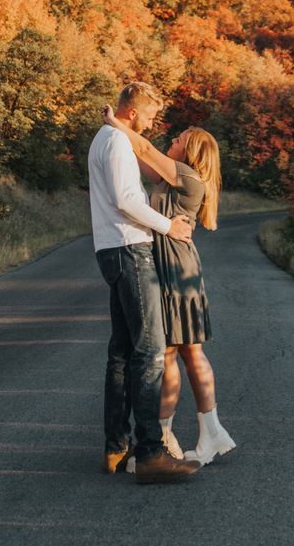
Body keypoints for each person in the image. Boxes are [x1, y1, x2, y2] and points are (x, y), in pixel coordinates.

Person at [102, 104, 236, 467]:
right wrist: (121, 131)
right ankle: (206, 432)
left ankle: (166, 436)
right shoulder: (169, 179)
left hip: (175, 269)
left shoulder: (187, 176)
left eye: (178, 139)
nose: (171, 141)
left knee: (177, 352)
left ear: (189, 151)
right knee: (186, 351)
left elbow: (143, 149)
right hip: (172, 265)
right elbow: (137, 150)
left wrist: (116, 122)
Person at [88, 81, 200, 484]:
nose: (151, 126)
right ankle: (151, 453)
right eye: (149, 117)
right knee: (150, 352)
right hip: (130, 249)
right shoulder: (116, 143)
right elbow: (126, 200)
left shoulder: (106, 138)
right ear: (132, 112)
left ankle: (115, 448)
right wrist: (168, 226)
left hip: (110, 249)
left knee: (120, 353)